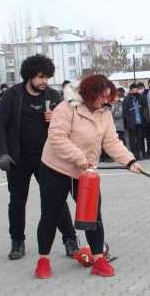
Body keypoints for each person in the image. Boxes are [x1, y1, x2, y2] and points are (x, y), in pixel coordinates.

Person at [35, 74, 144, 279]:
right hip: (55, 168)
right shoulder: (67, 108)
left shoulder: (105, 114)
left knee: (93, 214)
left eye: (108, 97)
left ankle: (98, 259)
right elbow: (56, 137)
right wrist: (79, 157)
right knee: (50, 214)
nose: (106, 100)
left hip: (85, 172)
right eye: (102, 96)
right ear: (89, 93)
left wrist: (129, 161)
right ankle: (43, 260)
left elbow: (111, 142)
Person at [0, 54, 79, 260]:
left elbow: (71, 125)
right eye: (41, 77)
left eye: (47, 77)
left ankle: (70, 240)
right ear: (30, 75)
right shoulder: (13, 95)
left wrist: (55, 120)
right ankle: (18, 242)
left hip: (49, 160)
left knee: (56, 201)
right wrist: (3, 153)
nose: (44, 81)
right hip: (18, 159)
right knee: (17, 201)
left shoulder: (53, 95)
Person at [122, 83, 148, 160]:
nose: (136, 91)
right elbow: (125, 113)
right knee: (132, 140)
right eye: (134, 90)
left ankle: (139, 155)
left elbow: (145, 108)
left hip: (140, 122)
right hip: (132, 123)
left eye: (136, 90)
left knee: (140, 139)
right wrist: (128, 123)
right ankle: (133, 155)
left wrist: (144, 119)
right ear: (130, 90)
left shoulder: (140, 97)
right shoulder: (127, 99)